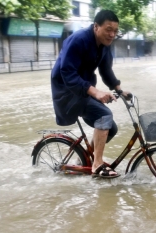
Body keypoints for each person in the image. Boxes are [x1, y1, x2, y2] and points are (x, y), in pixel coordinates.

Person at [51, 10, 129, 179]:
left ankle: (87, 158)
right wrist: (95, 91)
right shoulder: (78, 40)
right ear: (96, 27)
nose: (112, 34)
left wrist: (120, 89)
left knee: (112, 128)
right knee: (104, 114)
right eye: (108, 29)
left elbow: (106, 71)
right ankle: (97, 164)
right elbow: (67, 72)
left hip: (82, 91)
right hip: (66, 92)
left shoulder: (104, 46)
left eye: (115, 31)